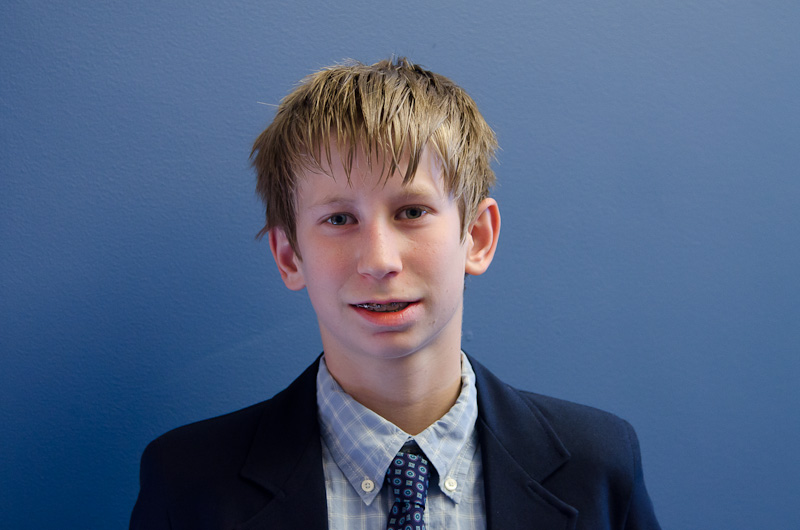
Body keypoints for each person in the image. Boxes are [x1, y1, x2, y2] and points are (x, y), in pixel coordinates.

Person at [130, 57, 661, 529]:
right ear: (290, 257)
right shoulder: (188, 482)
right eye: (339, 219)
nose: (379, 260)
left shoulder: (598, 465)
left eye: (411, 211)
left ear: (477, 237)